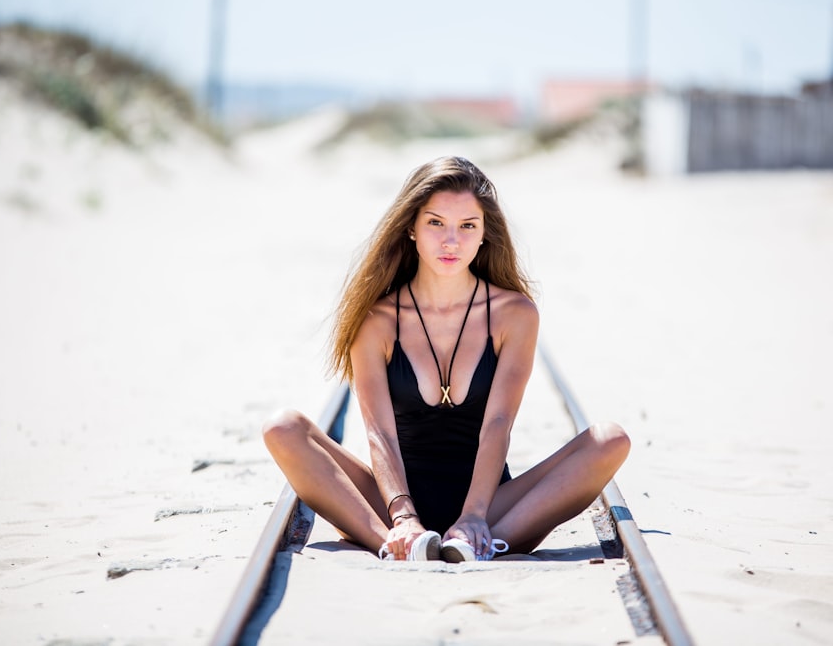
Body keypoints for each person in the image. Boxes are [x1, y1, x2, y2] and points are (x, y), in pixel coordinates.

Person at [263, 156, 630, 562]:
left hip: (490, 506)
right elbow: (379, 433)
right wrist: (403, 515)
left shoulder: (513, 314)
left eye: (467, 226)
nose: (451, 241)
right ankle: (399, 544)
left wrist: (474, 515)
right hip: (390, 505)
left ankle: (477, 544)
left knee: (610, 440)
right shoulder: (377, 320)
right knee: (283, 428)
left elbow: (498, 423)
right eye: (436, 223)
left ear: (484, 234)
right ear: (411, 229)